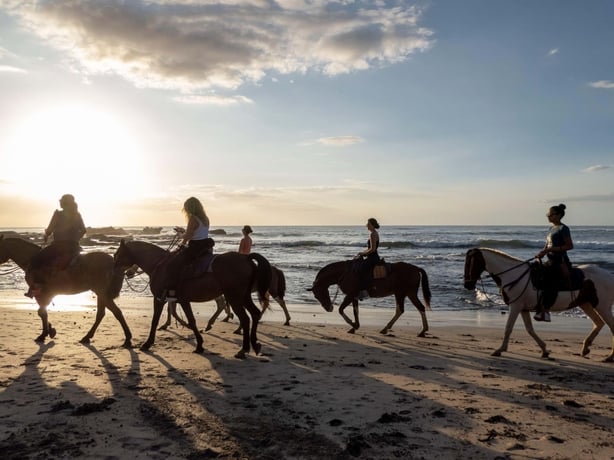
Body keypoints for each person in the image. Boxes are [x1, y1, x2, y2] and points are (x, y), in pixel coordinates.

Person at [26, 194, 86, 297]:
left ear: (64, 203)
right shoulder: (77, 214)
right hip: (74, 247)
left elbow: (49, 229)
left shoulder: (58, 214)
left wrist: (46, 235)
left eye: (61, 201)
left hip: (58, 246)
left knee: (36, 260)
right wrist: (75, 239)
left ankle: (36, 288)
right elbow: (83, 230)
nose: (60, 202)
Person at [163, 197, 212, 302]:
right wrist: (183, 231)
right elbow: (197, 233)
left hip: (195, 248)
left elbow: (188, 237)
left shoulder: (193, 218)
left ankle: (172, 293)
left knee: (172, 266)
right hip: (205, 246)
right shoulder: (205, 218)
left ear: (190, 208)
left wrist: (181, 237)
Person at [534, 203, 574, 322]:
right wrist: (542, 253)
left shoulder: (564, 228)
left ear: (558, 215)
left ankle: (546, 311)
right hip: (549, 260)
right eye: (548, 214)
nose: (548, 216)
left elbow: (569, 246)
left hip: (560, 262)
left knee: (550, 281)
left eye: (550, 214)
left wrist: (551, 249)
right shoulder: (551, 228)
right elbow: (547, 245)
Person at [354, 217, 380, 300]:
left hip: (373, 258)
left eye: (368, 224)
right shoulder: (375, 233)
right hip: (372, 257)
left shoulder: (372, 234)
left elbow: (373, 249)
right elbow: (370, 248)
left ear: (372, 225)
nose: (367, 226)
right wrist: (362, 253)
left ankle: (364, 291)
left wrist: (363, 253)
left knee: (360, 270)